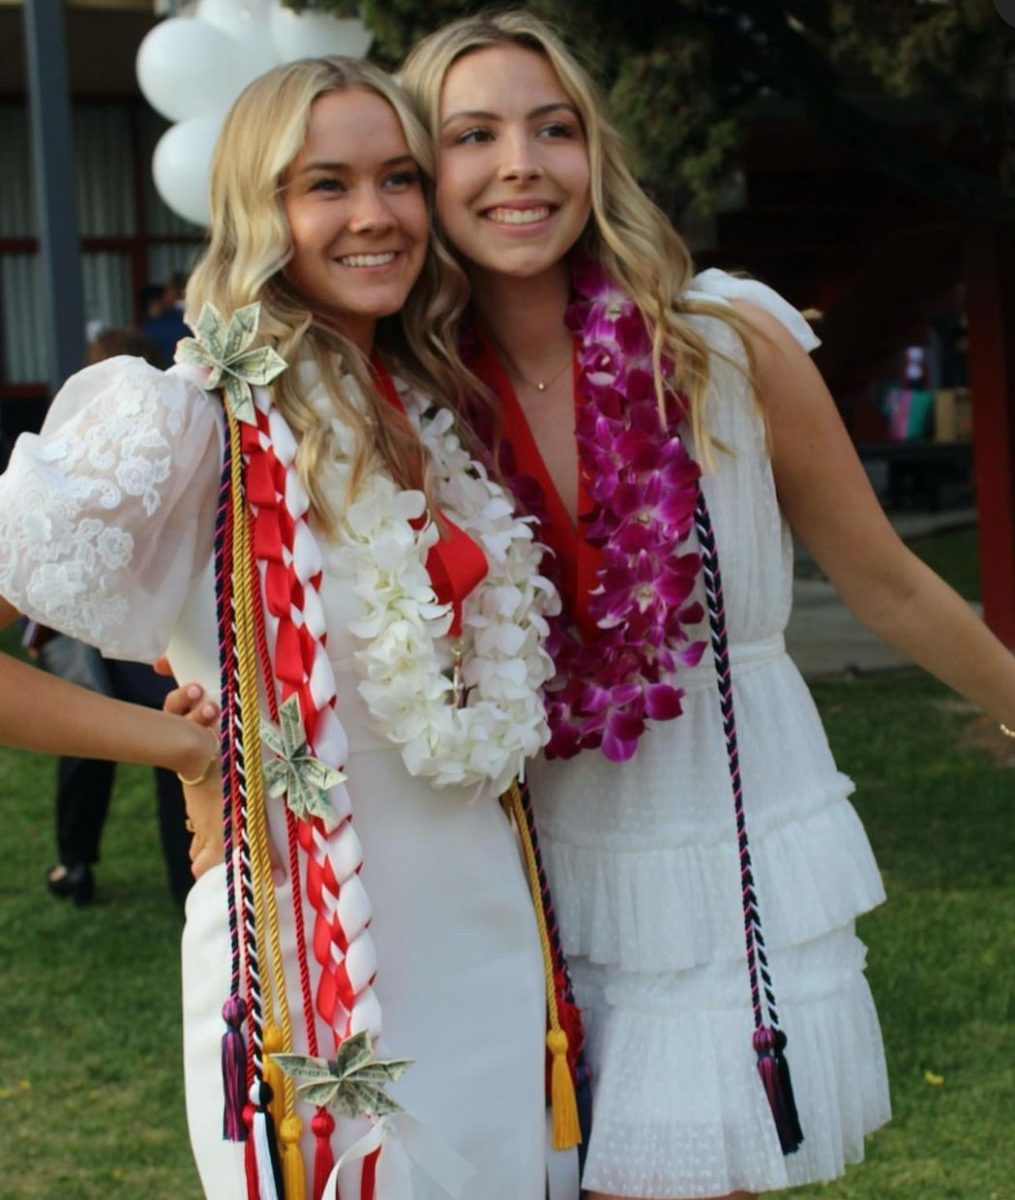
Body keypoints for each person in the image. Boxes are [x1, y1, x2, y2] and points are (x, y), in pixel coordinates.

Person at [399, 13, 1015, 1200]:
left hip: (720, 848)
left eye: (553, 128)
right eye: (472, 135)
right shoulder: (416, 394)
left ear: (597, 155)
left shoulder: (724, 346)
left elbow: (881, 579)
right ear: (423, 175)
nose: (520, 162)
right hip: (524, 862)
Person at [0, 57, 563, 1200]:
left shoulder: (433, 404)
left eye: (399, 177)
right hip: (308, 966)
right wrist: (182, 750)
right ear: (261, 207)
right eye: (326, 183)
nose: (374, 215)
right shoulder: (190, 416)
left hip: (491, 947)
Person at [35, 327, 194, 909]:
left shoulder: (167, 444)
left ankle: (83, 864)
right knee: (124, 755)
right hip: (136, 643)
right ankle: (181, 889)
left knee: (112, 754)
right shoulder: (86, 448)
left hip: (142, 642)